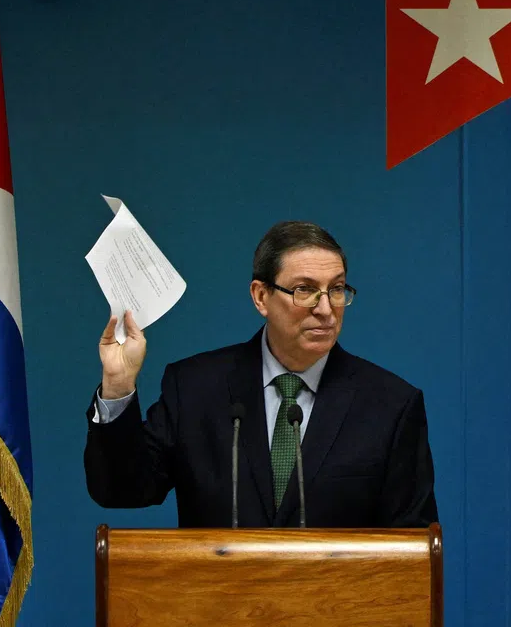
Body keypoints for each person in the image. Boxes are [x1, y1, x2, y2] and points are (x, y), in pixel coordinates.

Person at [83, 221, 438, 528]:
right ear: (261, 296)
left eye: (337, 289)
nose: (327, 309)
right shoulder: (195, 387)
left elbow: (413, 549)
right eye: (305, 290)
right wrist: (118, 385)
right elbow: (121, 490)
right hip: (219, 603)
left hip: (337, 605)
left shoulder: (390, 405)